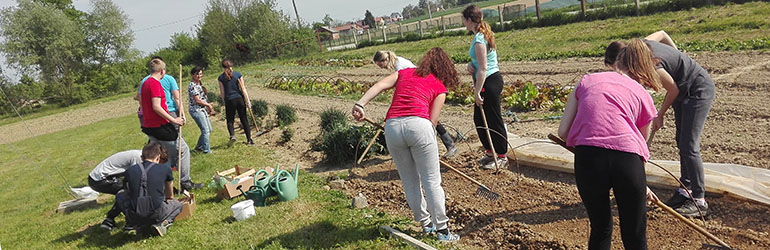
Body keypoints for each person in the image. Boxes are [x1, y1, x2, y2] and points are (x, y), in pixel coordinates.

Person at [559, 39, 661, 250]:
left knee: (601, 228)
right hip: (627, 162)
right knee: (634, 236)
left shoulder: (587, 80)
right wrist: (640, 183)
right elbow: (639, 146)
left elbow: (563, 132)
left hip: (588, 159)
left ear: (618, 60)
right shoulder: (642, 94)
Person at [352, 48, 461, 242]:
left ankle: (426, 225)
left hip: (392, 127)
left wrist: (360, 104)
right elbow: (433, 122)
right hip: (420, 125)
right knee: (431, 181)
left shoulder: (404, 72)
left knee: (410, 180)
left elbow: (379, 86)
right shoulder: (439, 85)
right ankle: (443, 231)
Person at [606, 30, 715, 217]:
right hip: (682, 89)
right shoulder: (641, 45)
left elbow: (673, 89)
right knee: (681, 140)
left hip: (697, 90)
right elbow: (663, 34)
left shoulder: (654, 66)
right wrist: (678, 57)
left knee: (689, 145)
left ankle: (699, 201)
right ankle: (685, 190)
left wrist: (659, 115)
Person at [372, 50, 458, 158]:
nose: (382, 68)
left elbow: (405, 84)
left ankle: (444, 146)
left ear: (385, 60)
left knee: (429, 119)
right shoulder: (398, 62)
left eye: (381, 65)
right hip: (420, 91)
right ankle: (448, 144)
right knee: (428, 118)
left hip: (420, 93)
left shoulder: (400, 66)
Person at [139, 58, 202, 191]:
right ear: (162, 71)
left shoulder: (145, 83)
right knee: (183, 150)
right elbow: (156, 107)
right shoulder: (155, 84)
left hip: (149, 126)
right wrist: (174, 120)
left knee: (163, 155)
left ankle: (167, 187)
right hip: (160, 126)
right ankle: (185, 182)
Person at [462, 5, 508, 169]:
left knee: (493, 120)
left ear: (469, 20)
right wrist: (470, 65)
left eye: (464, 20)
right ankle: (490, 152)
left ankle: (502, 156)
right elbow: (479, 62)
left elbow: (483, 68)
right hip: (486, 81)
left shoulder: (480, 39)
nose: (463, 23)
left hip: (489, 81)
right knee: (480, 119)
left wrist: (477, 92)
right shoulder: (479, 36)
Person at [119, 142, 182, 237]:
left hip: (135, 215)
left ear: (142, 157)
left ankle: (137, 225)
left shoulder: (129, 171)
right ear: (158, 157)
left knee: (120, 194)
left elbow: (127, 191)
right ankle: (163, 223)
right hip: (156, 213)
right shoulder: (165, 169)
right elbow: (170, 196)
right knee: (178, 204)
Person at [88, 150, 142, 231]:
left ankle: (109, 220)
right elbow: (134, 176)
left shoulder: (140, 154)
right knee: (127, 192)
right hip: (99, 179)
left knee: (126, 191)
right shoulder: (138, 157)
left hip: (98, 177)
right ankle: (130, 222)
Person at [218, 59, 254, 145]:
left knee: (230, 120)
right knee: (244, 119)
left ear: (223, 68)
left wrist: (224, 102)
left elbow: (222, 93)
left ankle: (232, 135)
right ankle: (249, 140)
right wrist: (248, 101)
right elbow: (243, 89)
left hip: (229, 100)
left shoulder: (221, 78)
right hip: (239, 99)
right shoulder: (238, 74)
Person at [188, 66, 214, 154]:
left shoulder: (199, 84)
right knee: (205, 130)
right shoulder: (192, 85)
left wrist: (207, 106)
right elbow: (197, 100)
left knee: (209, 129)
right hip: (196, 110)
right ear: (193, 75)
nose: (199, 76)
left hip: (201, 109)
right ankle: (206, 150)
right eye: (197, 74)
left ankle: (199, 147)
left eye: (200, 74)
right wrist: (208, 105)